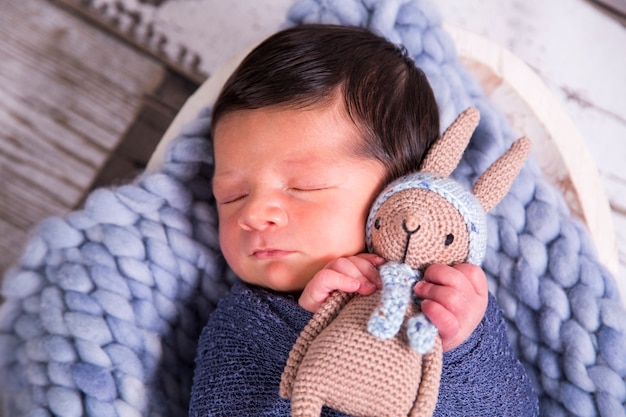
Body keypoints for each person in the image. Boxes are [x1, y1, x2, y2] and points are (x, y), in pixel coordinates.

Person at [189, 24, 538, 416]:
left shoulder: (450, 306)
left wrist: (461, 347)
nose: (252, 215)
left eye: (304, 187)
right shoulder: (241, 323)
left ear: (395, 189)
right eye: (231, 196)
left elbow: (514, 409)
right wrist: (305, 331)